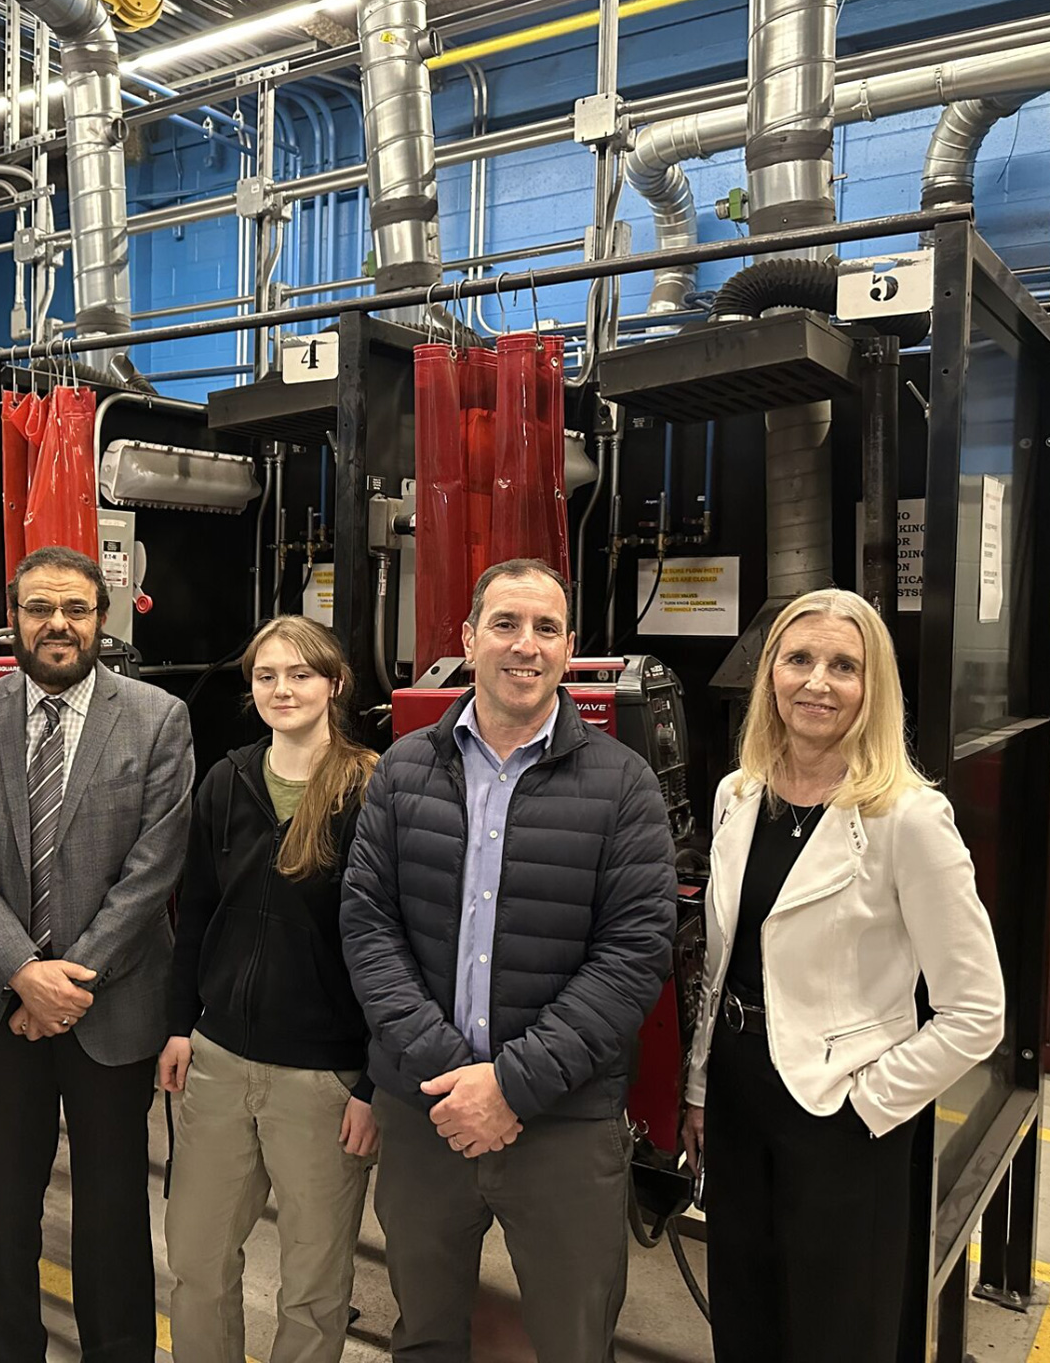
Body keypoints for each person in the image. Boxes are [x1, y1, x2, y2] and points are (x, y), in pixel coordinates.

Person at [340, 557, 677, 1363]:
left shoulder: (623, 784)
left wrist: (512, 1085)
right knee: (423, 1335)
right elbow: (367, 923)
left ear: (568, 649)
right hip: (428, 1112)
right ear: (468, 640)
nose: (525, 646)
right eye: (505, 624)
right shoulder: (403, 768)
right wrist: (453, 1073)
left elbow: (633, 955)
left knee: (574, 1342)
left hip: (564, 1123)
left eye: (546, 629)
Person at [681, 588, 1005, 1363]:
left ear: (874, 688)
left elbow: (976, 1011)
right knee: (745, 1313)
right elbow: (722, 963)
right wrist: (698, 1089)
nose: (817, 682)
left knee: (837, 1330)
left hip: (841, 1110)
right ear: (770, 678)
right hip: (737, 1089)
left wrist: (869, 1106)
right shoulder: (739, 795)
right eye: (798, 660)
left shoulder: (908, 818)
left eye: (843, 666)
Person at [0, 545, 194, 1363]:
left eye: (75, 609)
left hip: (111, 1006)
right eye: (41, 608)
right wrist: (22, 973)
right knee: (4, 1202)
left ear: (101, 621)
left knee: (113, 1204)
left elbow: (156, 868)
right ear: (14, 617)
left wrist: (70, 983)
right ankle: (11, 1347)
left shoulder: (157, 717)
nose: (58, 625)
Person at [161, 615, 381, 1363]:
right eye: (265, 675)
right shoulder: (226, 780)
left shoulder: (369, 789)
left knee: (314, 1286)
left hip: (323, 1077)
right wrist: (179, 1025)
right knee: (196, 1264)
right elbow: (194, 916)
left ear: (335, 683)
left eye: (299, 673)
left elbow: (397, 949)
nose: (281, 688)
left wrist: (374, 1083)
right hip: (219, 1060)